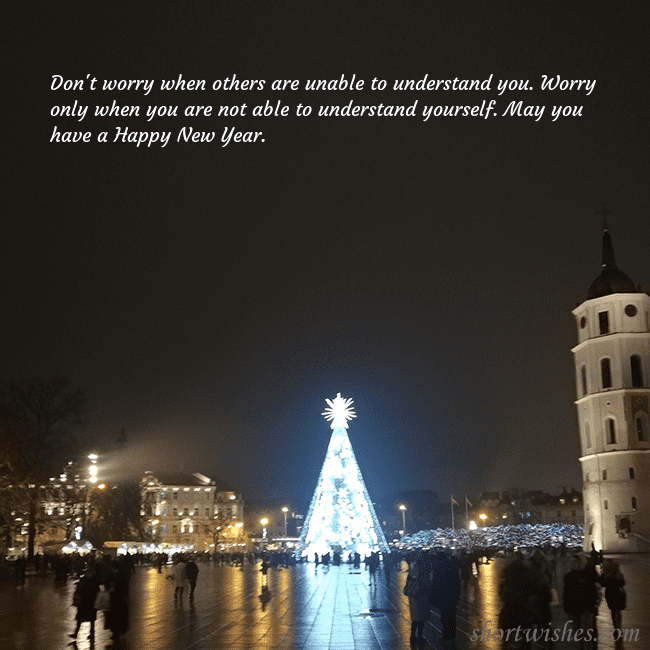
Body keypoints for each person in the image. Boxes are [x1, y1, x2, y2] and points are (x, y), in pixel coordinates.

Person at [406, 553, 432, 644]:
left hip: (413, 597)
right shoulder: (424, 572)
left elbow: (408, 583)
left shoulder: (413, 571)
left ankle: (413, 635)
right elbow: (427, 584)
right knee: (421, 618)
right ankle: (420, 636)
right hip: (422, 597)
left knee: (415, 617)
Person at [69, 567, 100, 641]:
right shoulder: (87, 580)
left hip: (90, 603)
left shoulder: (93, 581)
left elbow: (97, 592)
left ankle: (91, 634)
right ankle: (76, 633)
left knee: (90, 620)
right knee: (81, 619)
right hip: (84, 602)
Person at [600, 560, 626, 630]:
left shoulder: (607, 574)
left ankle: (616, 627)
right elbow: (623, 583)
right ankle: (618, 626)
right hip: (615, 593)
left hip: (612, 594)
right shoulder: (617, 573)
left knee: (614, 611)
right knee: (617, 611)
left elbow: (602, 584)